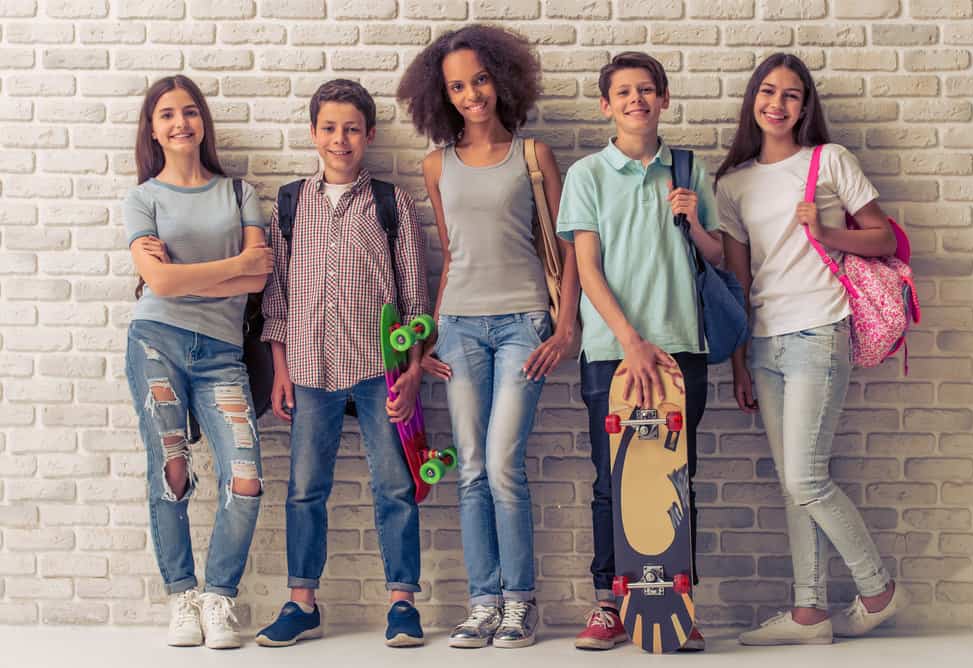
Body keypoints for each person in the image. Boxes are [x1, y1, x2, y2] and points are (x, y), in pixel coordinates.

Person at [397, 24, 580, 649]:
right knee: (470, 467)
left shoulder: (535, 157)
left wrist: (566, 325)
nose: (471, 94)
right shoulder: (435, 165)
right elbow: (449, 256)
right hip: (458, 326)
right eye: (457, 86)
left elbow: (567, 244)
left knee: (503, 464)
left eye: (479, 80)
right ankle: (483, 601)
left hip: (523, 323)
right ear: (441, 96)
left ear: (502, 80)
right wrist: (430, 341)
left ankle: (520, 602)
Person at [715, 53, 908, 646]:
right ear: (753, 100)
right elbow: (739, 281)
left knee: (806, 478)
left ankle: (877, 590)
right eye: (768, 91)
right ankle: (810, 613)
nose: (778, 103)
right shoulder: (733, 183)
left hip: (821, 330)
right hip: (767, 341)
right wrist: (741, 360)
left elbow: (883, 235)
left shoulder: (829, 162)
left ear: (806, 106)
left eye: (792, 95)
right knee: (792, 480)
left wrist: (825, 231)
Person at [254, 80, 429, 648]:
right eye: (329, 127)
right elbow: (276, 295)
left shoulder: (390, 201)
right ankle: (302, 602)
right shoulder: (290, 202)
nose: (340, 138)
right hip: (308, 368)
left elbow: (414, 295)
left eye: (352, 128)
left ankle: (402, 602)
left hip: (380, 369)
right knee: (305, 487)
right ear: (313, 133)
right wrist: (280, 369)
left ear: (370, 135)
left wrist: (413, 367)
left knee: (394, 484)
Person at [556, 51, 722, 652]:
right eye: (624, 92)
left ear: (664, 99)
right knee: (612, 480)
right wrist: (630, 341)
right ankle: (610, 603)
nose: (636, 100)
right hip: (612, 352)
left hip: (681, 347)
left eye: (647, 90)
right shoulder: (587, 175)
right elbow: (588, 269)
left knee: (677, 478)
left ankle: (678, 606)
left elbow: (718, 257)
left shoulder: (688, 168)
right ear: (607, 104)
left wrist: (696, 222)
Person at [123, 75, 271, 649]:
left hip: (221, 353)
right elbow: (155, 282)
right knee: (172, 468)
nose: (180, 122)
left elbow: (260, 276)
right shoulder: (142, 197)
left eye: (189, 112)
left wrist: (188, 276)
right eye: (166, 114)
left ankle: (218, 597)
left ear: (202, 121)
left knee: (246, 477)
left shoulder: (240, 194)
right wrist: (229, 266)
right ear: (153, 129)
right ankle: (181, 595)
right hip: (155, 338)